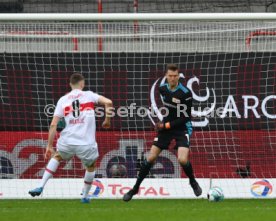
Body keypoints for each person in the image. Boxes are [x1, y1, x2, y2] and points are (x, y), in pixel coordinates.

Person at [29, 73, 113, 203]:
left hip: (67, 141)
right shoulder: (89, 95)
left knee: (57, 156)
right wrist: (107, 120)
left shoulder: (63, 99)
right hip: (86, 143)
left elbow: (53, 124)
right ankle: (85, 196)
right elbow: (109, 102)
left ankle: (40, 186)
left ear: (70, 85)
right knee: (91, 166)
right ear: (82, 84)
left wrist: (49, 146)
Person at [123, 64, 202, 202]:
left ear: (179, 76)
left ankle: (193, 181)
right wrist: (164, 124)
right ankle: (135, 189)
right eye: (170, 76)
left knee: (182, 159)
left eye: (175, 76)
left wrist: (165, 124)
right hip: (166, 127)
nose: (172, 78)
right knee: (150, 158)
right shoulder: (162, 89)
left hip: (182, 127)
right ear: (166, 76)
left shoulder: (186, 93)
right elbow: (169, 109)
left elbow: (186, 117)